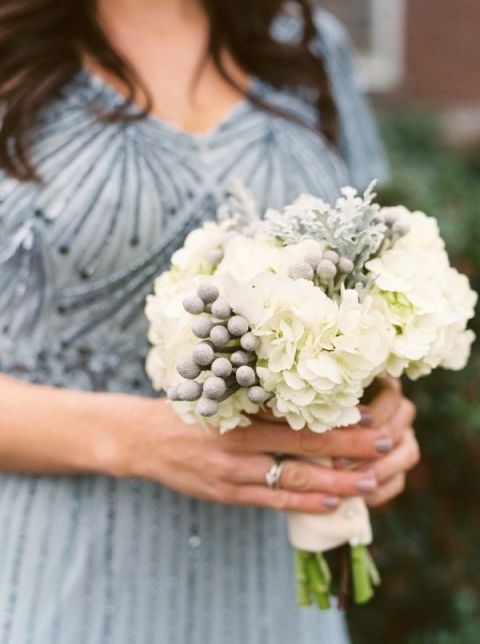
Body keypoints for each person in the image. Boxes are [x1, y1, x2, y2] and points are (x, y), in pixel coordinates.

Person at [0, 1, 420, 642]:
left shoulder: (307, 41)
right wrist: (137, 438)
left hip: (274, 578)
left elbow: (362, 271)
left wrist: (375, 402)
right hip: (58, 569)